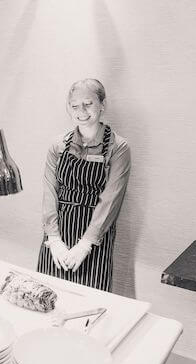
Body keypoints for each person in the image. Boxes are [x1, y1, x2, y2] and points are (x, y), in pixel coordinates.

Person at [37, 79, 131, 291]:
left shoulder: (119, 147)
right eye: (74, 105)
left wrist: (85, 245)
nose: (81, 111)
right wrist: (54, 239)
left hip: (94, 239)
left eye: (88, 104)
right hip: (58, 235)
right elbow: (49, 192)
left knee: (89, 305)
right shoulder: (58, 145)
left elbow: (111, 200)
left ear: (102, 105)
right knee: (48, 298)